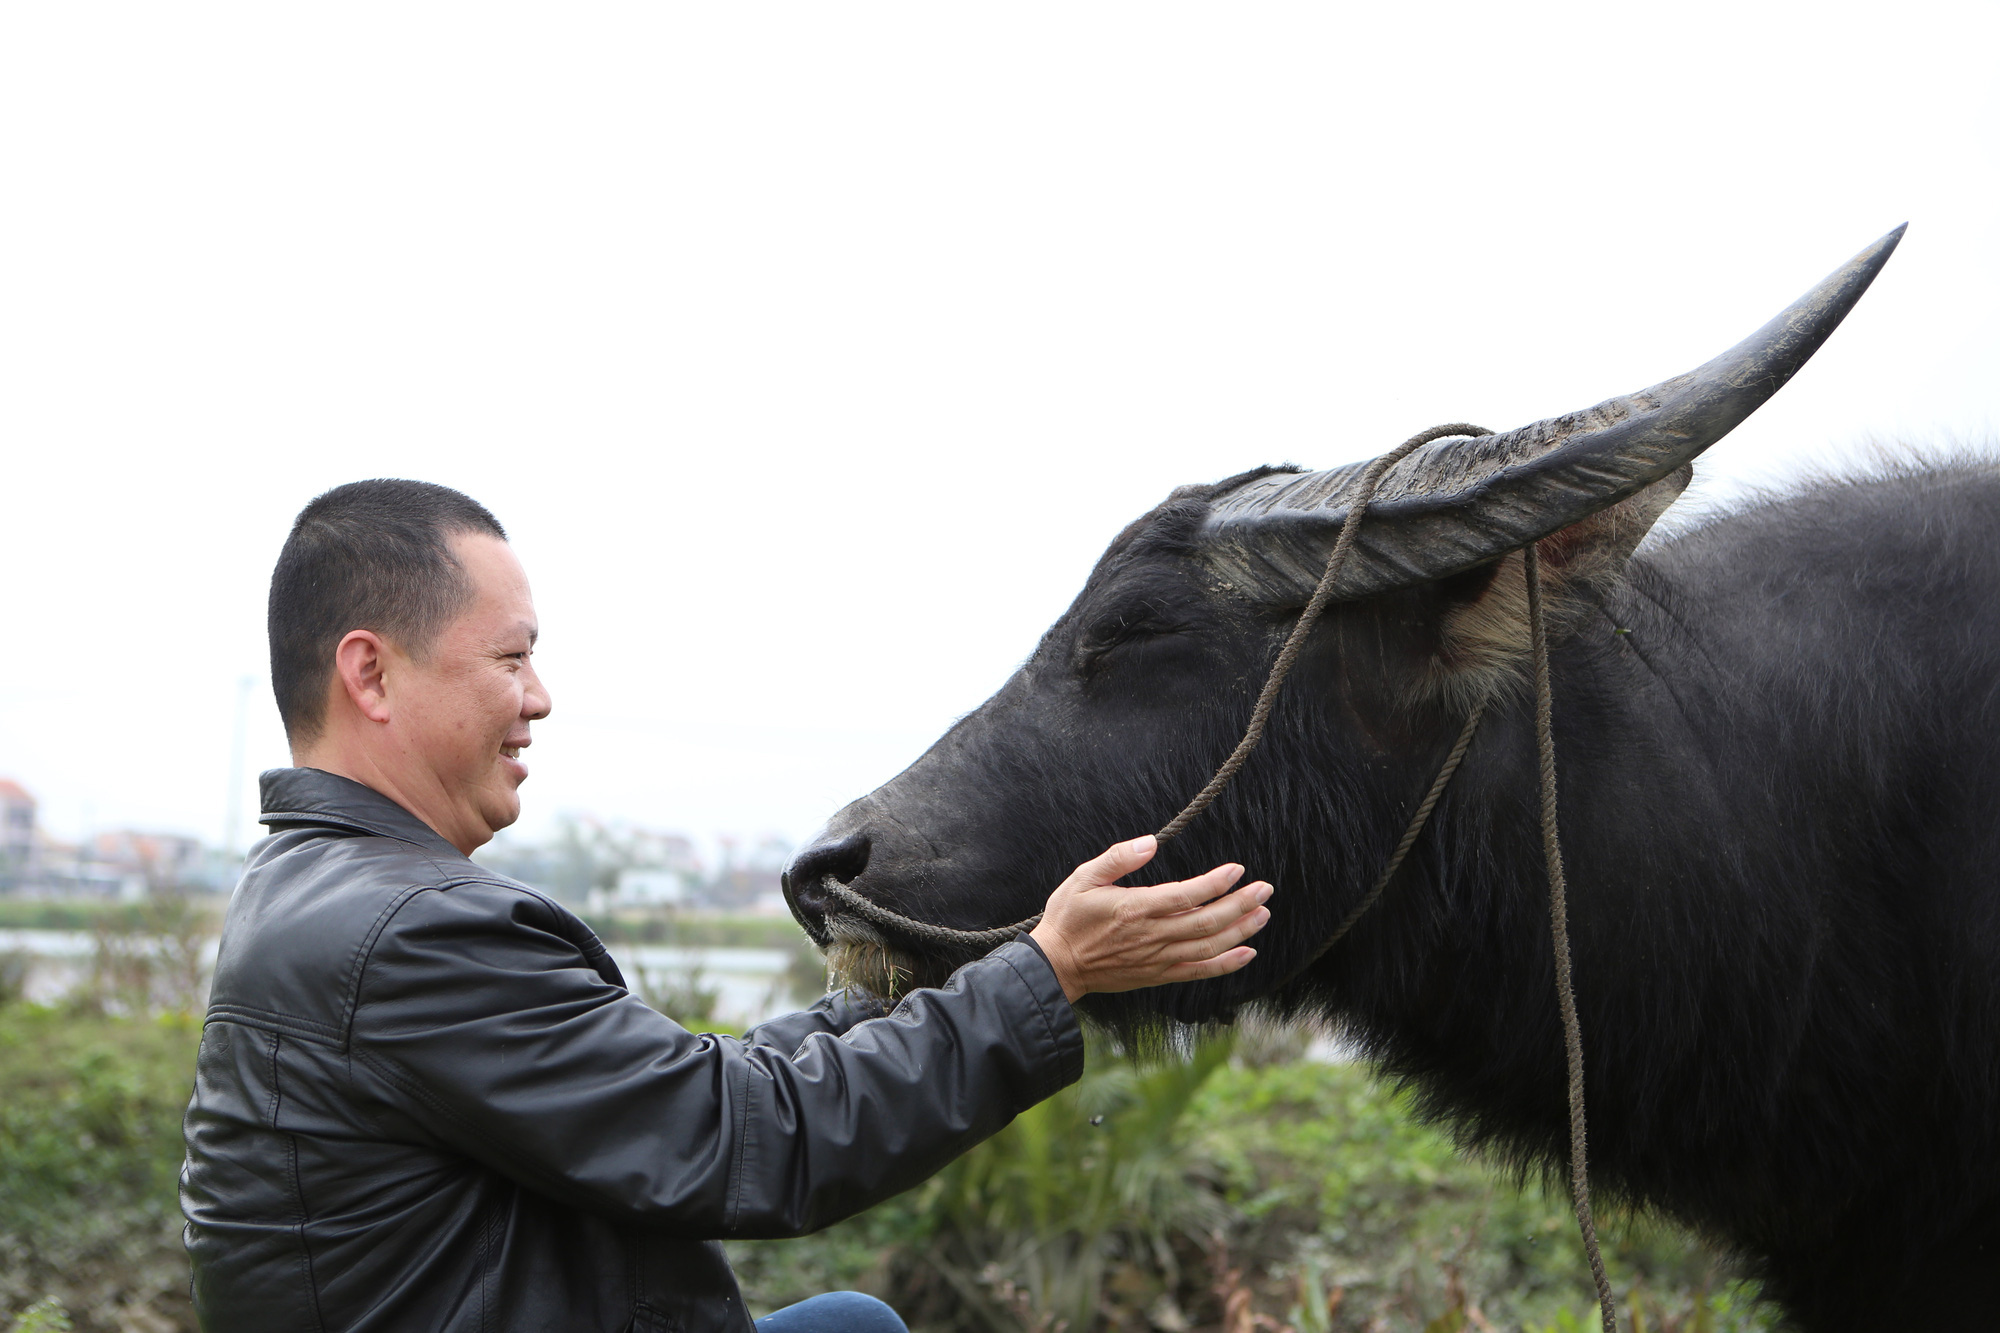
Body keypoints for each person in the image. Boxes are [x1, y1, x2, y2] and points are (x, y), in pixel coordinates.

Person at [181, 480, 1272, 1333]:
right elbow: (745, 1139)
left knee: (852, 1320)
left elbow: (683, 1094)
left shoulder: (311, 896)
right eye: (510, 658)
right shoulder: (409, 932)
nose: (538, 698)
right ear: (370, 675)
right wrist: (1049, 974)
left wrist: (899, 985)